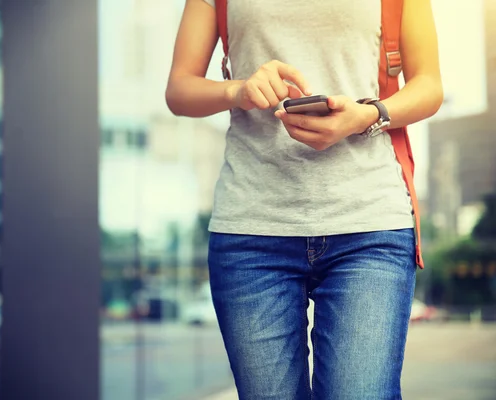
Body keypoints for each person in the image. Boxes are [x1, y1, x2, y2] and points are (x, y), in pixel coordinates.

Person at [165, 0, 443, 399]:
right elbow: (180, 89)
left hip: (369, 225)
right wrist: (239, 89)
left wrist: (367, 114)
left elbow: (429, 85)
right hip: (251, 230)